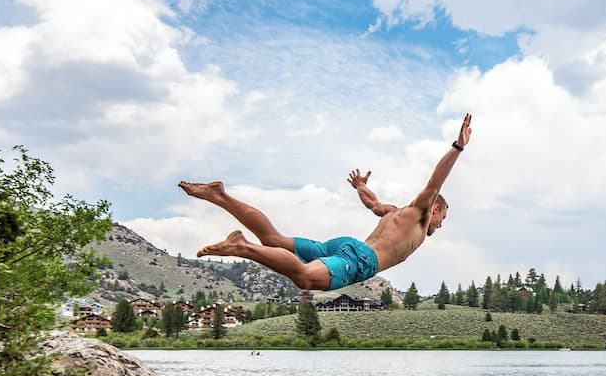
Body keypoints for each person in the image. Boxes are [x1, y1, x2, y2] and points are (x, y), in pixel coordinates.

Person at [179, 114, 472, 291]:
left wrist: (360, 187)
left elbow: (372, 204)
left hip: (344, 245)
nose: (440, 225)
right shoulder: (421, 213)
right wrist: (458, 147)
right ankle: (242, 246)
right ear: (435, 208)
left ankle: (220, 197)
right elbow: (435, 182)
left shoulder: (395, 212)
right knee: (305, 278)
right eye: (442, 218)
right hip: (361, 260)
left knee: (273, 239)